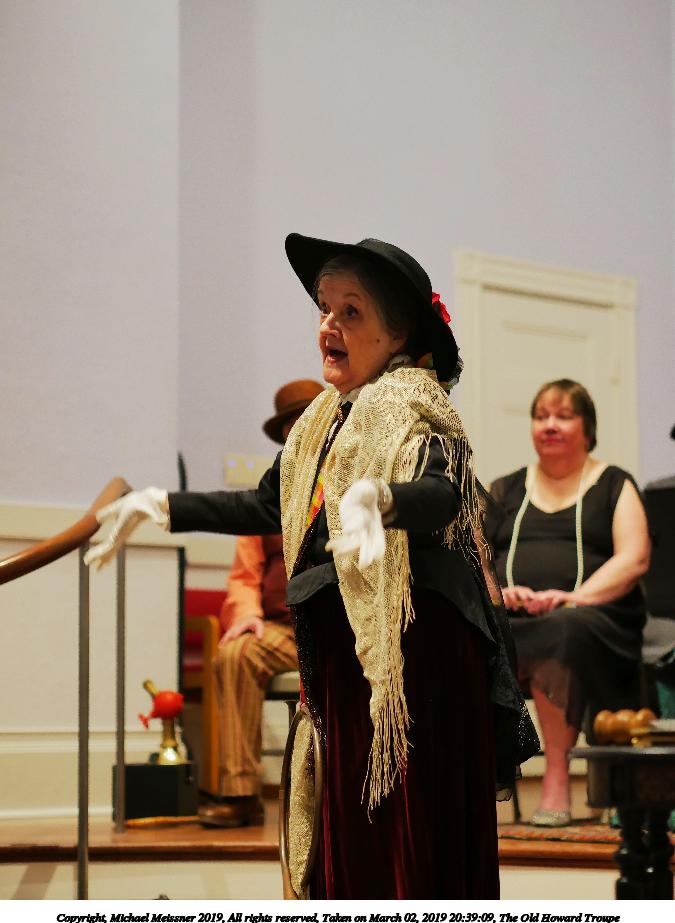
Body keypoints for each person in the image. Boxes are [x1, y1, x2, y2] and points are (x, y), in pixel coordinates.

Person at [86, 233, 538, 899]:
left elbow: (441, 491)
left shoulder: (414, 405)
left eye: (351, 311)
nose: (328, 323)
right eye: (325, 307)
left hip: (417, 666)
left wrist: (382, 500)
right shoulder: (321, 423)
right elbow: (266, 503)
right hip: (341, 664)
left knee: (406, 838)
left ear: (397, 334)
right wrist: (160, 504)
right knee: (354, 836)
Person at [485, 379, 650, 827]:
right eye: (541, 417)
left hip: (592, 618)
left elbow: (634, 558)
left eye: (563, 416)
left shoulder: (614, 483)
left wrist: (573, 597)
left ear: (588, 428)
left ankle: (556, 778)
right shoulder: (505, 489)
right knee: (470, 630)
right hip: (515, 618)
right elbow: (475, 556)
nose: (550, 425)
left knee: (561, 631)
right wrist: (501, 593)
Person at [199, 378, 324, 829]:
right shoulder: (270, 495)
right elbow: (244, 575)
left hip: (338, 629)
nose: (299, 429)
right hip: (283, 631)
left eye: (307, 418)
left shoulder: (351, 475)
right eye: (291, 424)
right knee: (235, 653)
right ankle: (240, 793)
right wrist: (247, 614)